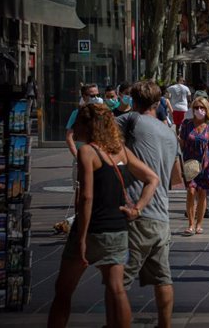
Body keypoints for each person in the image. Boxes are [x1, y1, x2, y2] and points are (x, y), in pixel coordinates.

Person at [48, 103, 159, 328]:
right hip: (117, 229)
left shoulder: (87, 152)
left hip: (91, 229)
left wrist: (81, 237)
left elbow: (86, 197)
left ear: (89, 125)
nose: (74, 127)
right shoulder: (119, 150)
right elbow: (152, 178)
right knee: (117, 290)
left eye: (78, 122)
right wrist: (137, 209)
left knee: (63, 290)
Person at [117, 81, 181, 328]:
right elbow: (177, 178)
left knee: (119, 281)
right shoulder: (169, 133)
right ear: (158, 103)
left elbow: (101, 132)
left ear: (133, 101)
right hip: (161, 217)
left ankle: (116, 323)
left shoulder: (130, 119)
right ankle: (164, 325)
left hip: (138, 211)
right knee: (163, 278)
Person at [179, 97, 209, 236]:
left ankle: (199, 224)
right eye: (196, 107)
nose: (199, 110)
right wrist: (180, 162)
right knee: (191, 191)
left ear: (207, 109)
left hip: (206, 163)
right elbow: (182, 143)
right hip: (190, 163)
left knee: (202, 192)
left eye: (202, 108)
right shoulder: (186, 124)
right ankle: (190, 224)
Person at [66, 84, 102, 189]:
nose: (96, 98)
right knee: (80, 190)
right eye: (92, 95)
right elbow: (69, 137)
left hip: (100, 157)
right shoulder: (77, 114)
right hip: (82, 158)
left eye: (98, 95)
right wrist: (77, 156)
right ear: (84, 96)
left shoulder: (103, 114)